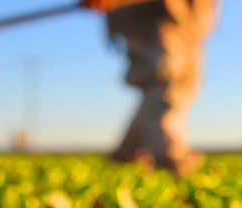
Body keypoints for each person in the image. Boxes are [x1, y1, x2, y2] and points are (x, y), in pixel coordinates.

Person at [82, 0, 218, 175]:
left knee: (181, 86)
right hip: (154, 18)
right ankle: (168, 152)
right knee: (168, 83)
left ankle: (127, 152)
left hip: (187, 20)